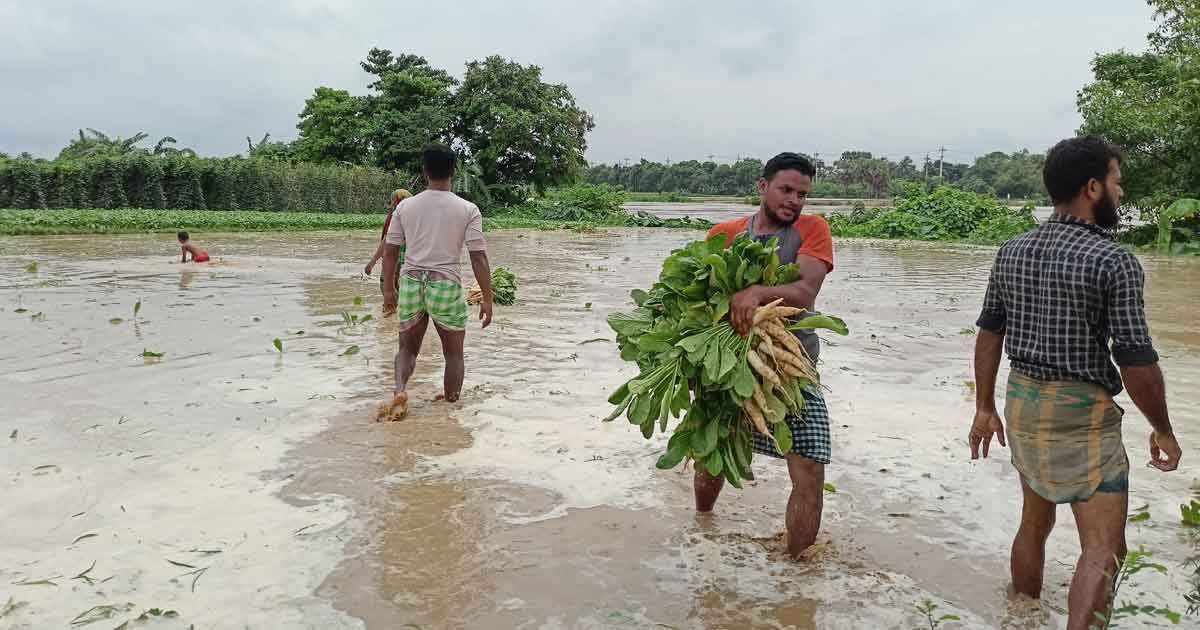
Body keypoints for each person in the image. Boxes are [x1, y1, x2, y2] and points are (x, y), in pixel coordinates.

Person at [969, 136, 1181, 629]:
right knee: (1103, 550)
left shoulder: (1013, 249)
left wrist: (984, 406)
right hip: (1081, 414)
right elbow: (1135, 359)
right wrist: (1163, 428)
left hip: (1021, 400)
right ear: (1092, 188)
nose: (1120, 194)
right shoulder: (1114, 260)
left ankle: (1020, 616)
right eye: (1116, 182)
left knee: (1034, 523)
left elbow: (989, 330)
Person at [701, 152, 835, 558]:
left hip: (791, 369)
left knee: (810, 467)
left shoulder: (813, 229)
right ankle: (701, 531)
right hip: (729, 365)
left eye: (803, 194)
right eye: (787, 190)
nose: (795, 200)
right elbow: (703, 297)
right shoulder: (723, 235)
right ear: (762, 187)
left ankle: (798, 572)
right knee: (711, 456)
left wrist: (757, 293)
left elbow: (806, 291)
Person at [378, 145, 493, 421]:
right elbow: (478, 256)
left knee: (406, 349)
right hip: (446, 284)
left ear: (424, 171)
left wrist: (388, 290)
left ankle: (399, 389)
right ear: (454, 170)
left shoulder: (405, 207)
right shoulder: (468, 209)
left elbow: (390, 251)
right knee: (453, 354)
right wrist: (487, 297)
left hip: (412, 282)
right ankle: (450, 409)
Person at [364, 189, 413, 290]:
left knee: (388, 286)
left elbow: (387, 240)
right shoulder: (413, 216)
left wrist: (372, 262)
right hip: (408, 261)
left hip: (394, 259)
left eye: (393, 199)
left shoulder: (395, 215)